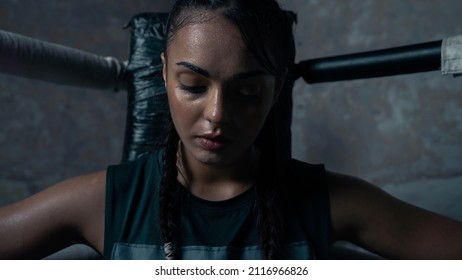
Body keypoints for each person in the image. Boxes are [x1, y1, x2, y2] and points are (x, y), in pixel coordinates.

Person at [1, 0, 462, 260]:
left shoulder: (332, 202)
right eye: (193, 85)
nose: (217, 114)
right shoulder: (106, 201)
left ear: (276, 90)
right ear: (163, 75)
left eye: (246, 92)